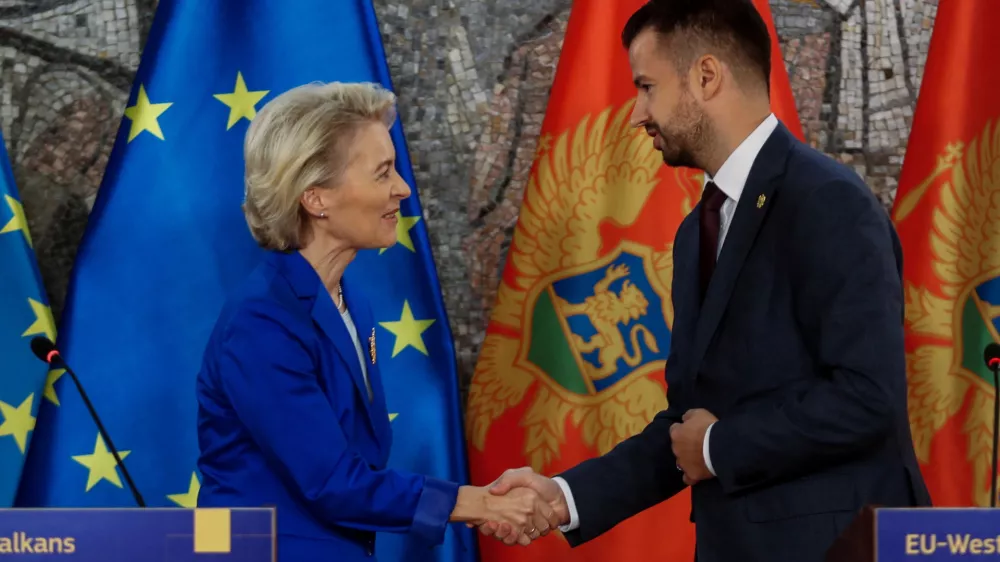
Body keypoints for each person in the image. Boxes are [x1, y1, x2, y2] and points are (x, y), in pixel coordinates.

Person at [478, 0, 932, 560]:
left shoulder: (828, 202)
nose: (636, 114)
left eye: (647, 86)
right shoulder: (699, 229)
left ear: (707, 76)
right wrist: (564, 496)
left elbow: (869, 397)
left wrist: (719, 445)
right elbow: (687, 423)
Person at [195, 81, 558, 561]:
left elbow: (360, 460)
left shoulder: (350, 301)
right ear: (316, 197)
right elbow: (330, 482)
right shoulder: (262, 323)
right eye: (383, 172)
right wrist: (474, 502)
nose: (403, 189)